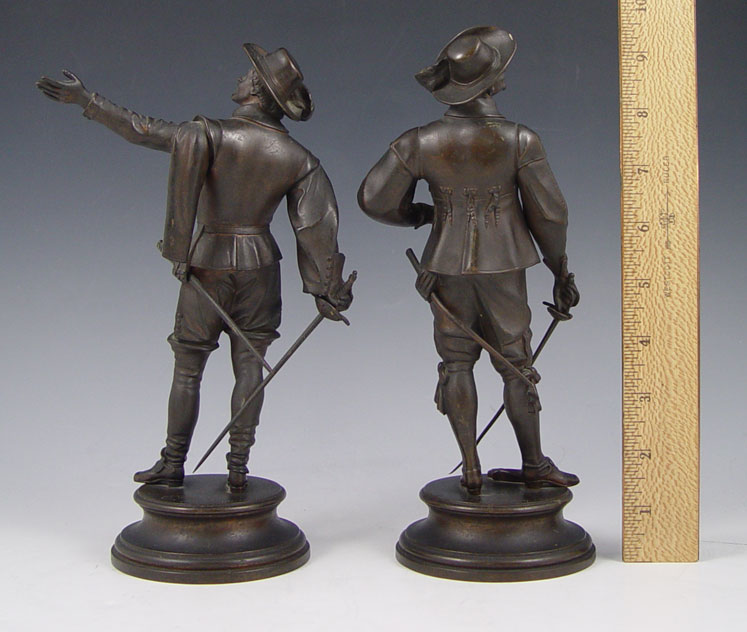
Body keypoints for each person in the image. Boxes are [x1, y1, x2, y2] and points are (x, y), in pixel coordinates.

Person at [37, 43, 352, 490]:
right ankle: (238, 468)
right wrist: (327, 289)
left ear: (256, 89)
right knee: (251, 367)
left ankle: (173, 461)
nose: (239, 78)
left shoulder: (207, 134)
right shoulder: (298, 158)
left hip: (208, 261)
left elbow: (142, 130)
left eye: (247, 74)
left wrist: (88, 101)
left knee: (188, 368)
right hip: (261, 265)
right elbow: (317, 226)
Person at [358, 26, 579, 494]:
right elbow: (550, 214)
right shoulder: (520, 140)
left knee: (456, 363)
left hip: (444, 266)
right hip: (504, 265)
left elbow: (373, 198)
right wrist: (559, 270)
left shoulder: (420, 141)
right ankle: (534, 464)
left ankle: (471, 468)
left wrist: (424, 215)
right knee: (516, 364)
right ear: (492, 83)